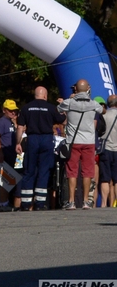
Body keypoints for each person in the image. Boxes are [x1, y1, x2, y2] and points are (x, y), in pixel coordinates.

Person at [16, 86, 66, 211]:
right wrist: (63, 108)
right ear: (45, 95)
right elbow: (62, 120)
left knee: (29, 170)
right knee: (44, 171)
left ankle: (26, 203)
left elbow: (20, 127)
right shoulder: (50, 108)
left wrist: (18, 143)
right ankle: (40, 202)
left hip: (32, 139)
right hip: (46, 139)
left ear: (35, 95)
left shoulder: (26, 107)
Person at [57, 80, 103, 210]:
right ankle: (86, 201)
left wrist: (69, 99)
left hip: (73, 141)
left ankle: (71, 201)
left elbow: (59, 109)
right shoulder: (93, 103)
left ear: (75, 90)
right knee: (87, 172)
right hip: (88, 141)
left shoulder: (69, 102)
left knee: (72, 171)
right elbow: (101, 111)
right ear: (87, 89)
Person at [0, 99, 19, 212]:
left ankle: (7, 202)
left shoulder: (12, 122)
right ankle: (3, 204)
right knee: (4, 179)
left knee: (11, 180)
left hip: (13, 153)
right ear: (4, 110)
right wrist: (0, 151)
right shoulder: (2, 121)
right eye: (10, 111)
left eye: (15, 110)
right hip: (5, 151)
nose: (13, 113)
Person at [98, 95, 117, 207]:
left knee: (105, 178)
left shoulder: (104, 115)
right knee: (116, 180)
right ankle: (114, 204)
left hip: (106, 149)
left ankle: (104, 203)